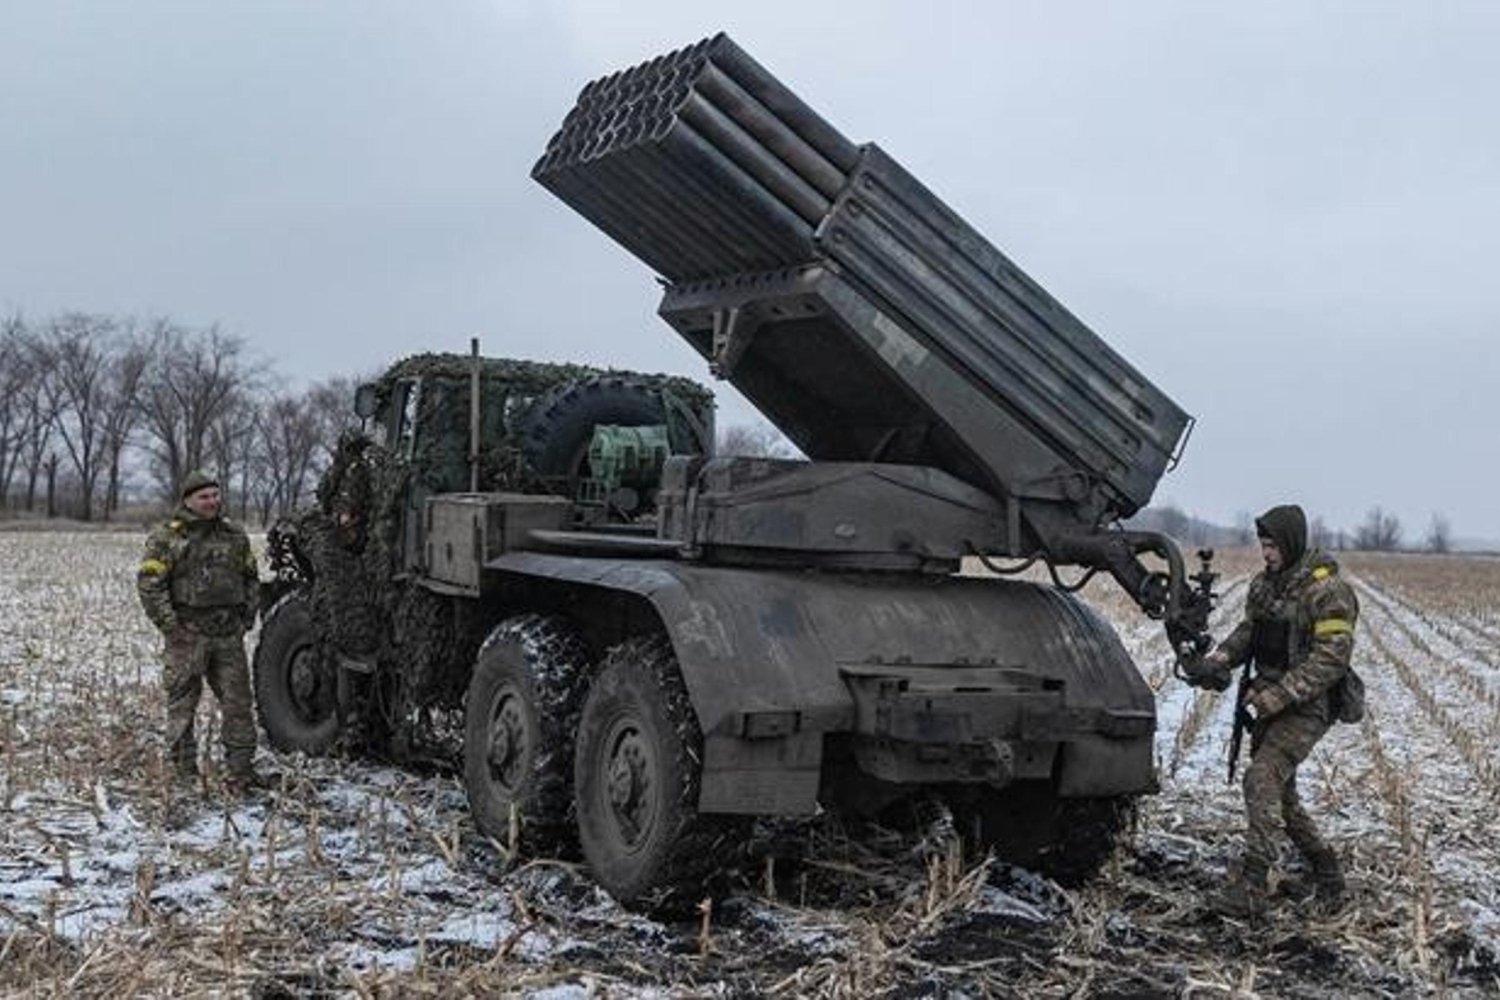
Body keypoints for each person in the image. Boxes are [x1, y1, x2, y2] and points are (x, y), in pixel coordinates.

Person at [1192, 503, 1358, 917]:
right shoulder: (1265, 586)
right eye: (1263, 546)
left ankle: (1253, 884)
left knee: (1261, 777)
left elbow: (1330, 659)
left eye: (1273, 546)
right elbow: (1249, 632)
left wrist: (1279, 696)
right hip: (1269, 701)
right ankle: (1328, 873)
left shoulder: (1328, 592)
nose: (1266, 554)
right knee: (1281, 797)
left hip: (1308, 705)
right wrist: (1219, 660)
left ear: (1292, 545)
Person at [137, 469, 264, 795]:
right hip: (187, 635)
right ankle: (182, 775)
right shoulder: (168, 537)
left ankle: (241, 772)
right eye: (204, 497)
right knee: (182, 706)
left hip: (227, 636)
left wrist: (247, 616)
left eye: (215, 495)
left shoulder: (234, 535)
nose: (212, 502)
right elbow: (151, 585)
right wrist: (172, 627)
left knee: (238, 704)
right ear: (188, 501)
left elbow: (251, 577)